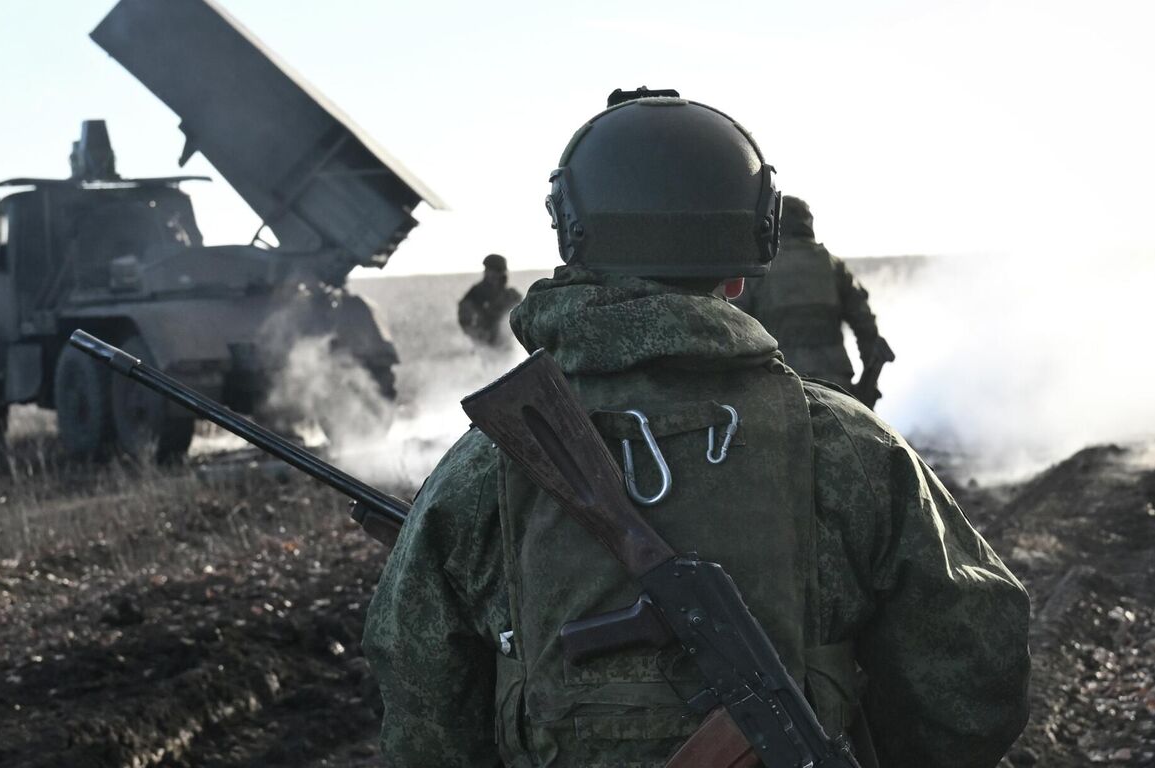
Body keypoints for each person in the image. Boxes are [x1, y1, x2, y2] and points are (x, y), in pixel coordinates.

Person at [365, 89, 1029, 767]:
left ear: (573, 236)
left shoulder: (486, 467)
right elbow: (971, 680)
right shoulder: (851, 449)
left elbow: (421, 710)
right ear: (745, 263)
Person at [734, 195, 895, 403]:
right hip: (835, 387)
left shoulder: (759, 270)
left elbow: (739, 329)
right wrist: (869, 376)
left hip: (778, 385)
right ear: (807, 223)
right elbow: (865, 324)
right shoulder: (833, 266)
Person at [457, 253, 523, 348]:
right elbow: (464, 314)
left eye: (497, 271)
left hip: (506, 346)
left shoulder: (511, 295)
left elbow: (522, 318)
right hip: (485, 347)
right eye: (490, 270)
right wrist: (477, 334)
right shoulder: (476, 292)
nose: (492, 275)